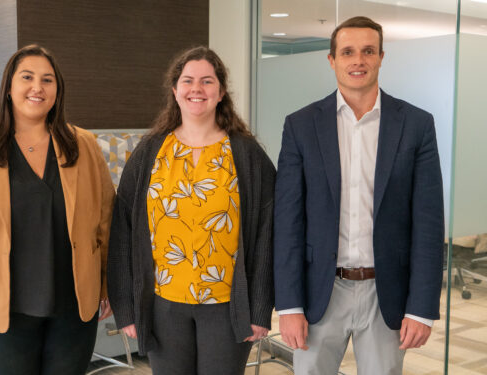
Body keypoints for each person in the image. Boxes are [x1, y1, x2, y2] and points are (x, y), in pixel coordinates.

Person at [274, 16, 444, 374]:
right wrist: (289, 307)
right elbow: (288, 222)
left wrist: (421, 308)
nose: (358, 60)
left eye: (368, 51)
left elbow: (428, 225)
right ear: (331, 59)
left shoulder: (416, 125)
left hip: (387, 294)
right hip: (319, 291)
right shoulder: (301, 125)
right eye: (348, 52)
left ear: (382, 57)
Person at [0, 44, 115, 375]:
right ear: (9, 87)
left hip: (74, 305)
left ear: (57, 90)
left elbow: (106, 222)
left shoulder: (85, 146)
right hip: (1, 306)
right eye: (28, 77)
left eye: (48, 80)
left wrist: (106, 286)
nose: (38, 87)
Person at [107, 46, 275, 374]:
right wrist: (127, 309)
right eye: (188, 81)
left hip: (227, 307)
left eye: (207, 81)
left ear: (221, 92)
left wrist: (258, 310)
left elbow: (268, 232)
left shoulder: (246, 153)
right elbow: (123, 231)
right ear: (174, 90)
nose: (196, 89)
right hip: (162, 306)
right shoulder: (150, 151)